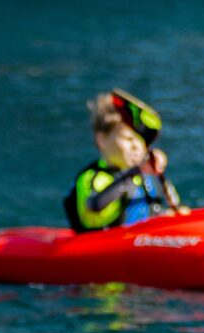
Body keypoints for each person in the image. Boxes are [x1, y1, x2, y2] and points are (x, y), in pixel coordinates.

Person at [64, 88, 183, 232]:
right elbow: (95, 205)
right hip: (104, 249)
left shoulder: (145, 175)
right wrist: (136, 171)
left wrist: (157, 172)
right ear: (102, 140)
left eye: (140, 141)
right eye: (128, 139)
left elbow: (173, 206)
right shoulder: (93, 177)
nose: (136, 146)